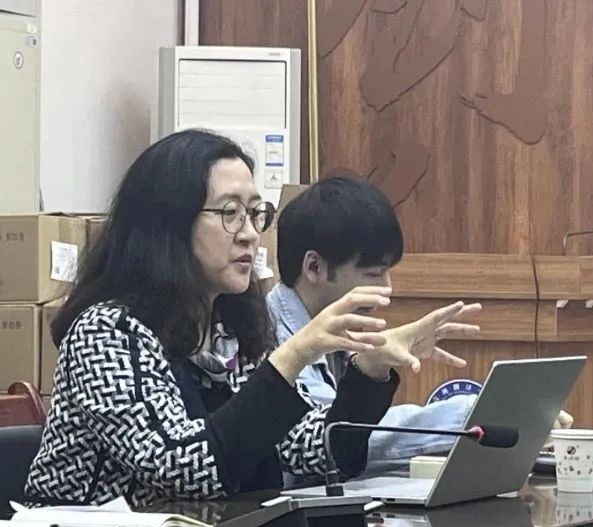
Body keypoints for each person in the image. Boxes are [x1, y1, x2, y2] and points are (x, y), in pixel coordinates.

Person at [24, 130, 479, 507]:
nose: (249, 234)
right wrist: (294, 355)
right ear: (169, 224)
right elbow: (183, 469)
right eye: (229, 213)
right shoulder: (106, 332)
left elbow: (315, 453)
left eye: (255, 213)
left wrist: (371, 370)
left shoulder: (228, 329)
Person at [266, 176, 546, 475]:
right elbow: (333, 441)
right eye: (373, 273)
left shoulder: (343, 328)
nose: (387, 288)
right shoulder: (263, 338)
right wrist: (471, 417)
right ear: (314, 267)